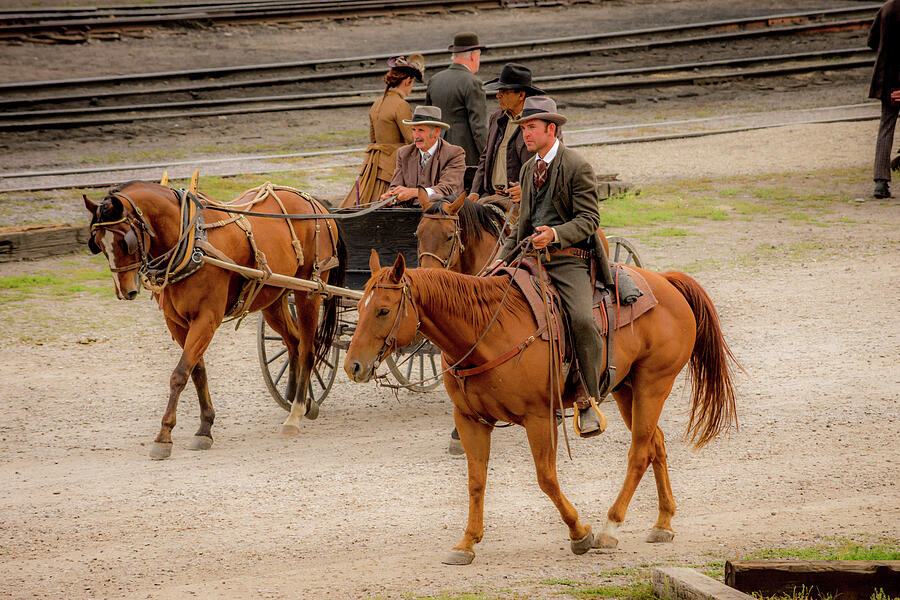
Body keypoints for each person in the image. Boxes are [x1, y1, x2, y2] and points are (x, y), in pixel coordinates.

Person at [495, 97, 610, 438]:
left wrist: (556, 234)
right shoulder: (529, 169)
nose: (525, 134)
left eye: (531, 127)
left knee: (581, 319)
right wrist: (502, 258)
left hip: (569, 260)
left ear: (551, 129)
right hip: (530, 258)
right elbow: (521, 224)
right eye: (523, 128)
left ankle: (588, 397)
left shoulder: (577, 165)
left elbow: (590, 220)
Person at [341, 55, 424, 208]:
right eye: (412, 84)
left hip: (373, 164)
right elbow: (410, 139)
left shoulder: (377, 103)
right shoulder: (401, 105)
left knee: (367, 200)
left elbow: (373, 138)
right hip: (392, 166)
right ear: (407, 81)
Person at [469, 63, 556, 203]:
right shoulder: (496, 118)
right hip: (491, 196)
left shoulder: (543, 121)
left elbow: (553, 160)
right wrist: (474, 191)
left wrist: (528, 188)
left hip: (523, 200)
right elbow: (485, 158)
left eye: (504, 91)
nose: (498, 95)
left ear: (521, 95)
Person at [426, 31, 488, 169]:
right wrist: (488, 155)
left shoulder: (435, 80)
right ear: (473, 56)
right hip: (464, 152)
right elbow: (478, 127)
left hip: (437, 148)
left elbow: (427, 118)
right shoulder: (472, 82)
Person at [379, 105, 466, 205]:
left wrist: (415, 193)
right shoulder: (403, 153)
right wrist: (390, 198)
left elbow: (447, 189)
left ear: (437, 132)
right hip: (408, 214)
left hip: (441, 214)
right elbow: (395, 186)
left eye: (420, 130)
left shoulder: (454, 154)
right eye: (413, 130)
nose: (416, 136)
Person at [868, 0, 900, 199]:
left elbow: (872, 41)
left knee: (886, 127)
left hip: (888, 79)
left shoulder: (887, 8)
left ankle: (881, 182)